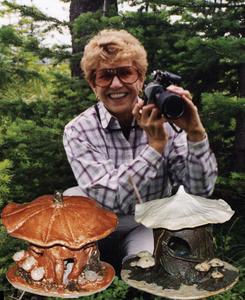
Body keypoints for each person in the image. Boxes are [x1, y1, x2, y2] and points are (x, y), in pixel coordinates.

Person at [63, 29, 217, 269]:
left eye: (125, 73)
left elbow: (199, 192)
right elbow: (110, 198)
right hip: (96, 220)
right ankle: (83, 264)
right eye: (105, 76)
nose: (116, 84)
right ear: (93, 84)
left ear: (140, 78)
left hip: (147, 221)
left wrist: (195, 135)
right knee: (72, 198)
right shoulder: (78, 130)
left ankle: (136, 274)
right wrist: (154, 149)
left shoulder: (169, 123)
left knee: (144, 267)